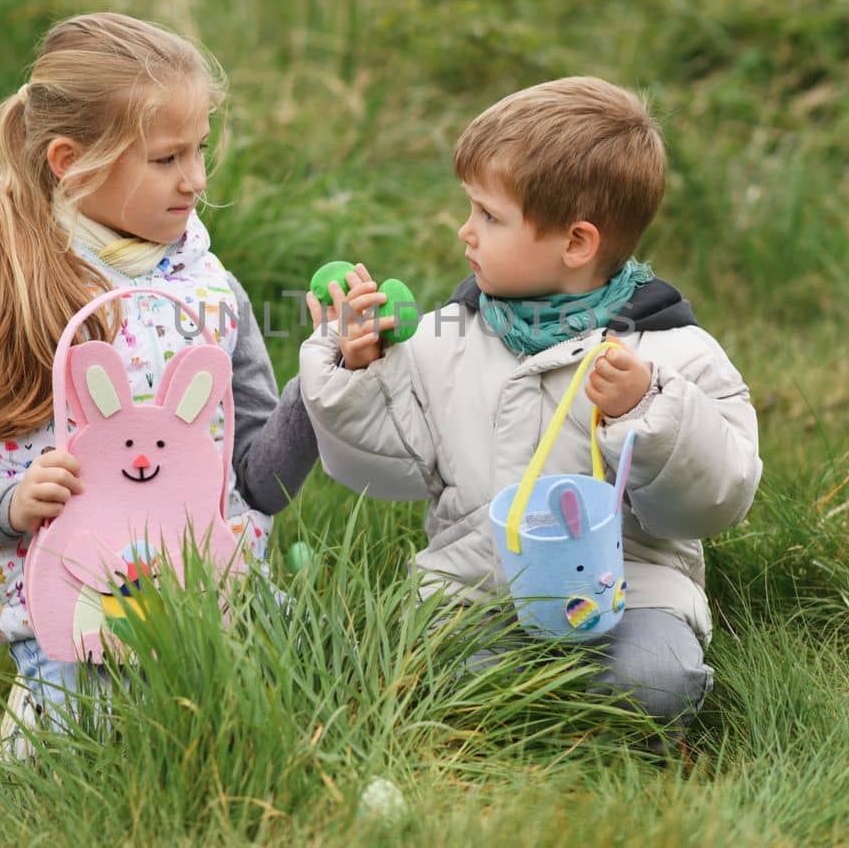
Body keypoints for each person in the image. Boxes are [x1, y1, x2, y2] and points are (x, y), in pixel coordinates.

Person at [0, 12, 318, 751]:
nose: (196, 179)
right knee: (63, 758)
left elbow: (260, 478)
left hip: (217, 604)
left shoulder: (213, 294)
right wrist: (9, 503)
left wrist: (326, 376)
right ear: (69, 160)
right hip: (76, 625)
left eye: (201, 150)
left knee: (306, 710)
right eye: (165, 158)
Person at [299, 76, 761, 730]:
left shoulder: (673, 350)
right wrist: (360, 366)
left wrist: (645, 413)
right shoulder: (447, 339)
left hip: (627, 594)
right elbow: (384, 468)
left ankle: (594, 704)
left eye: (489, 215)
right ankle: (497, 694)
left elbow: (717, 499)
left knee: (656, 682)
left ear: (576, 243)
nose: (465, 231)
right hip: (476, 589)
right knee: (407, 670)